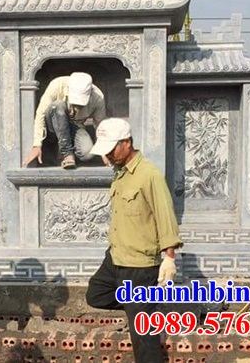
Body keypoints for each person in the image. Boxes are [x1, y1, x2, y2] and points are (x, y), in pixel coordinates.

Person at [85, 118, 182, 363]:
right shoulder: (120, 174)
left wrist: (169, 258)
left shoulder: (149, 175)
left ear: (127, 143)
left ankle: (144, 310)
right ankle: (143, 307)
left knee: (144, 342)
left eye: (111, 148)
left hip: (139, 267)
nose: (107, 154)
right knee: (95, 294)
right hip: (116, 257)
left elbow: (165, 216)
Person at [23, 72, 107, 169]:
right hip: (52, 125)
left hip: (74, 126)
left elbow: (100, 125)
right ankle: (68, 155)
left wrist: (104, 150)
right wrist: (36, 145)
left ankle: (72, 155)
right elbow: (40, 114)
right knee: (58, 106)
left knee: (88, 153)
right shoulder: (57, 85)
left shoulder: (98, 97)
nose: (77, 107)